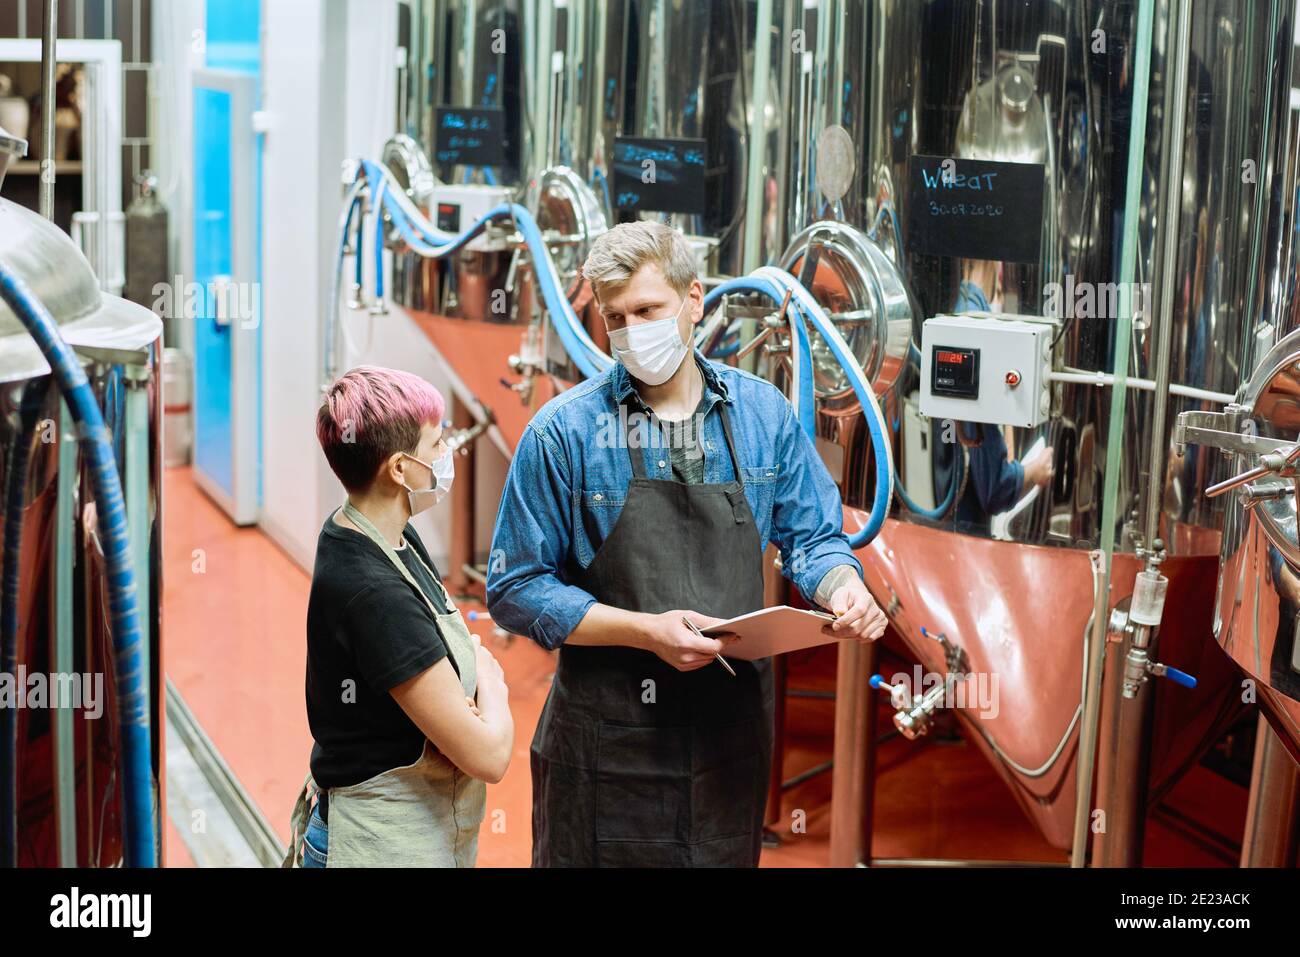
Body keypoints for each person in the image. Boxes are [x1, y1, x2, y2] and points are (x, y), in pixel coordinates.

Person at [486, 221, 888, 867]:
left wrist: (844, 586)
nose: (631, 332)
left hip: (725, 739)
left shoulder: (762, 415)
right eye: (616, 318)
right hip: (606, 745)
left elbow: (812, 537)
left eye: (648, 309)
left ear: (695, 298)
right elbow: (515, 588)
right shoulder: (564, 432)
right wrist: (646, 630)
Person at [285, 365, 513, 868]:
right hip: (380, 845)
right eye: (436, 445)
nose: (445, 455)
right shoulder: (371, 590)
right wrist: (491, 684)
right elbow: (488, 756)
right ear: (399, 469)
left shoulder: (380, 533)